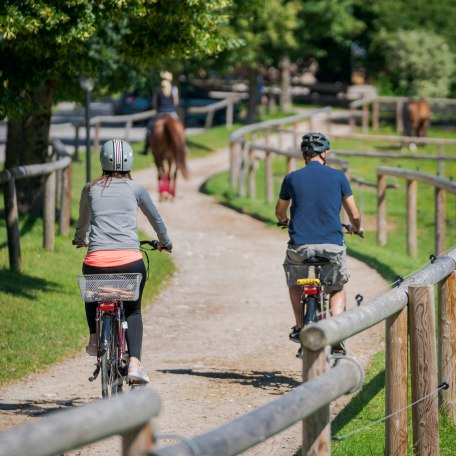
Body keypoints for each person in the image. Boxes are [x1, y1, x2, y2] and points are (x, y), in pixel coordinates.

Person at [73, 139, 172, 383]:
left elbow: (82, 222)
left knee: (93, 293)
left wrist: (79, 239)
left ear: (102, 161)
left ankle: (95, 339)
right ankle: (135, 364)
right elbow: (156, 220)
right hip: (130, 263)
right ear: (129, 161)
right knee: (133, 310)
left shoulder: (90, 189)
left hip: (96, 262)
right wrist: (165, 242)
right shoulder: (136, 189)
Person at [275, 132, 363, 353]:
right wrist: (356, 227)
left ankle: (299, 326)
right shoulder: (339, 176)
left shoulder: (291, 178)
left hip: (300, 246)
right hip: (331, 245)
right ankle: (336, 332)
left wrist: (284, 221)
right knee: (335, 287)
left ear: (304, 154)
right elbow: (354, 214)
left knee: (295, 283)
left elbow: (279, 211)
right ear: (325, 153)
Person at [143, 71, 180, 154]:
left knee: (149, 128)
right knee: (180, 127)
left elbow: (154, 104)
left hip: (160, 113)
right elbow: (176, 102)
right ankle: (183, 146)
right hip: (171, 112)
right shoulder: (174, 89)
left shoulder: (157, 89)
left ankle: (146, 148)